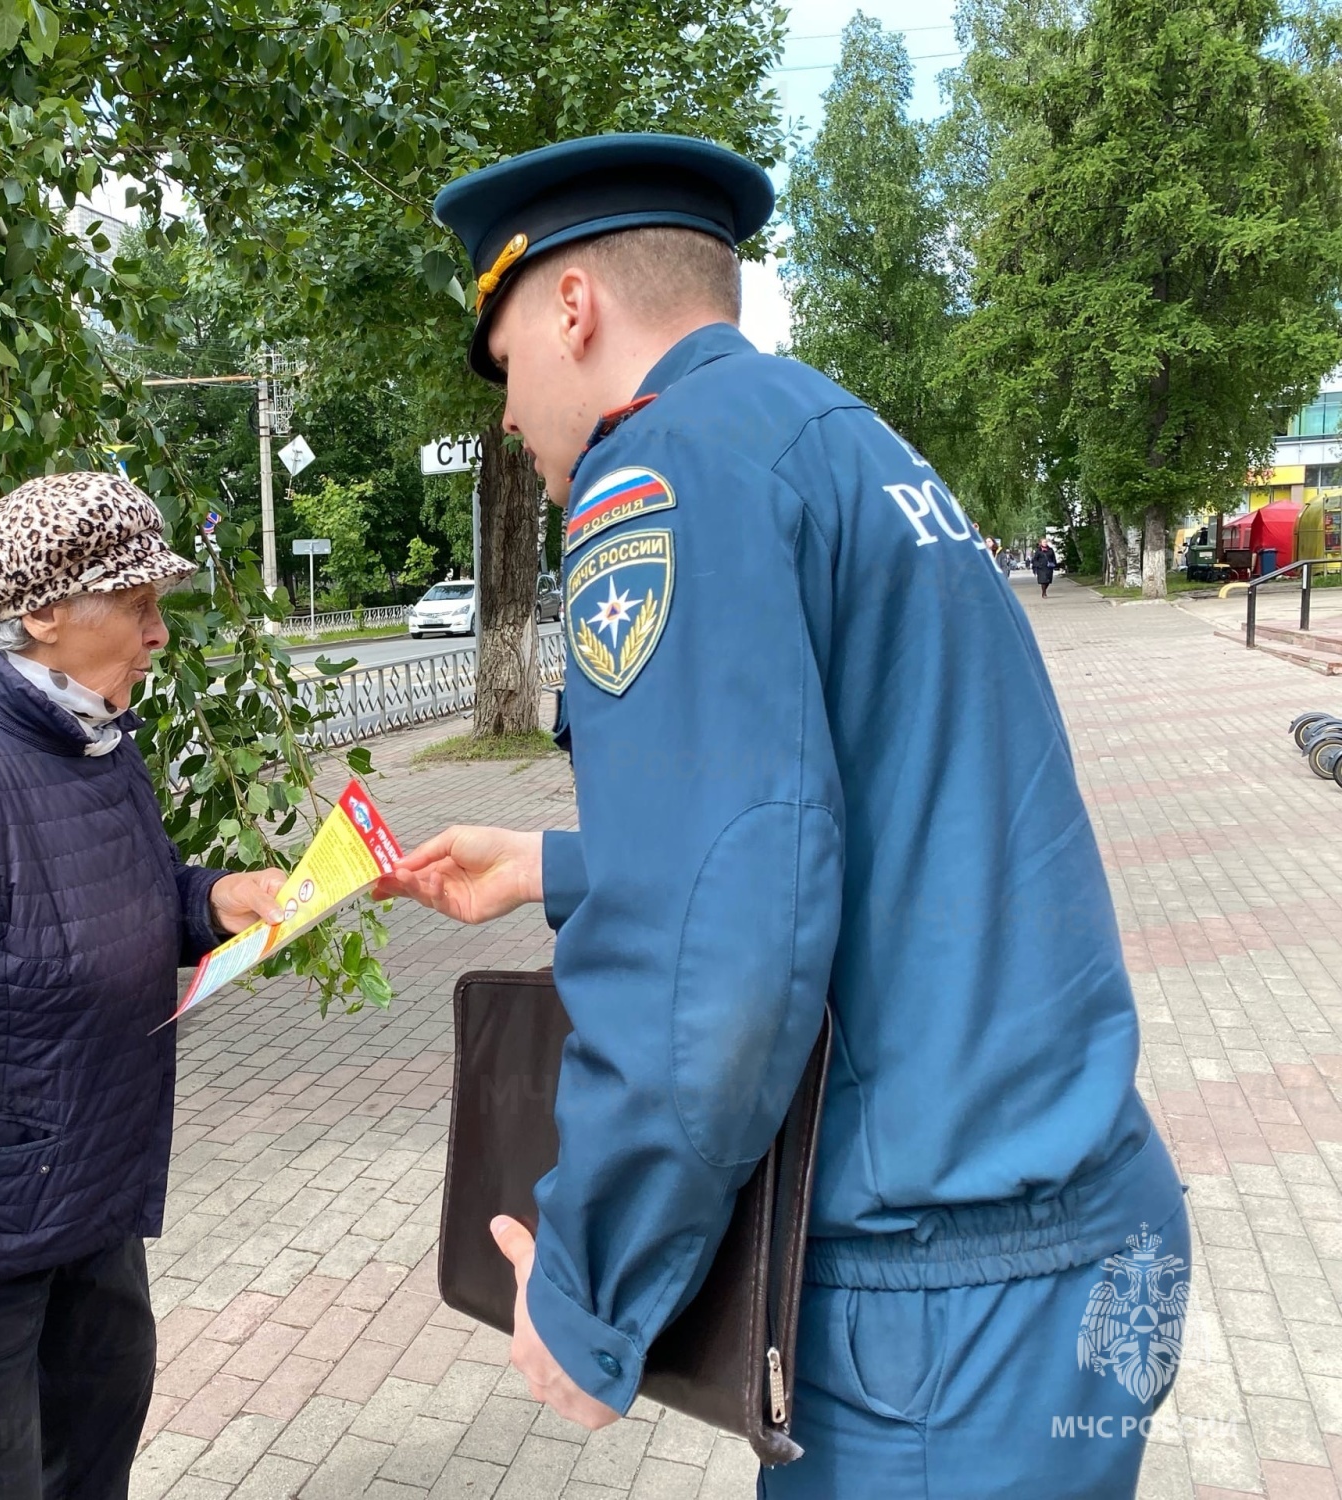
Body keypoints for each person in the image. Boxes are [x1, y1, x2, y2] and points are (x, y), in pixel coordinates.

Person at [384, 135, 1187, 1497]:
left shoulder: (661, 478)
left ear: (573, 308)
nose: (510, 418)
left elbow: (723, 963)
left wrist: (590, 1290)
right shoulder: (838, 437)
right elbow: (866, 814)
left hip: (936, 1309)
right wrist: (554, 865)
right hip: (1081, 1246)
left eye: (504, 358)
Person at [0, 471, 287, 1499]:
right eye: (136, 606)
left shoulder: (98, 750)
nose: (157, 633)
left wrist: (212, 900)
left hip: (89, 1220)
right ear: (41, 613)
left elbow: (97, 904)